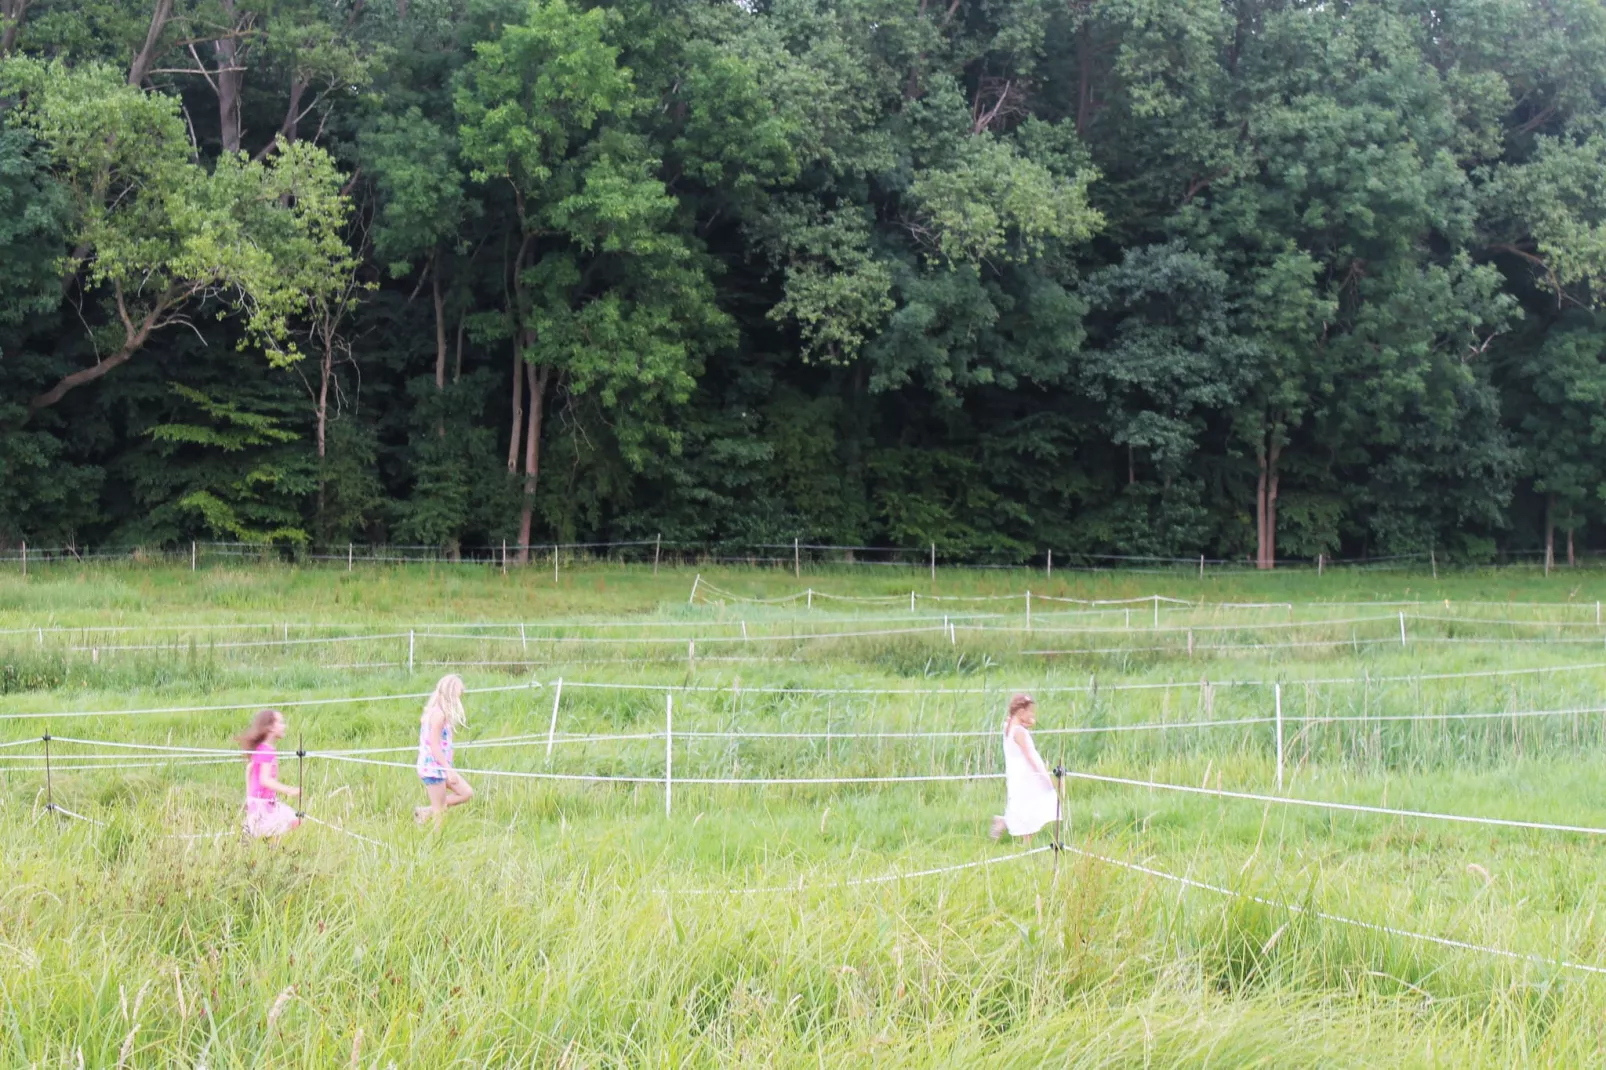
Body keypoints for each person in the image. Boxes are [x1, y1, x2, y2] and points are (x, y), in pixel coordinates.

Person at [991, 693, 1057, 844]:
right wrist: (1042, 775)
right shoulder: (1019, 732)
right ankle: (1025, 842)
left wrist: (1028, 720)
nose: (1032, 715)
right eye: (1029, 711)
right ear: (1021, 712)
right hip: (1027, 774)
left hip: (1017, 772)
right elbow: (1029, 755)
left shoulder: (1009, 725)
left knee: (1023, 805)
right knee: (1030, 806)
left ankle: (1005, 823)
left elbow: (1027, 723)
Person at [415, 673, 474, 825]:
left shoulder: (438, 712)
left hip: (440, 766)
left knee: (466, 793)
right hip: (433, 768)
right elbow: (434, 745)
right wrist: (449, 769)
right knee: (440, 812)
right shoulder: (438, 715)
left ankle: (425, 811)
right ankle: (437, 842)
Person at [238, 709, 301, 838]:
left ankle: (250, 833)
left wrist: (249, 796)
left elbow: (250, 769)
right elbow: (264, 779)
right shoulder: (266, 751)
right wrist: (288, 790)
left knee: (294, 821)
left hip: (262, 802)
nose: (284, 726)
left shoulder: (262, 748)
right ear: (271, 728)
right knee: (285, 827)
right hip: (263, 805)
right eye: (281, 723)